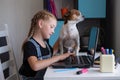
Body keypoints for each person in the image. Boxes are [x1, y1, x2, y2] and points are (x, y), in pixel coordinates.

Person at [19, 10, 74, 80]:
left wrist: (61, 38)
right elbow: (35, 66)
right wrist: (59, 57)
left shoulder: (44, 42)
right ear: (41, 23)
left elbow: (51, 53)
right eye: (51, 27)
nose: (53, 31)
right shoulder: (29, 44)